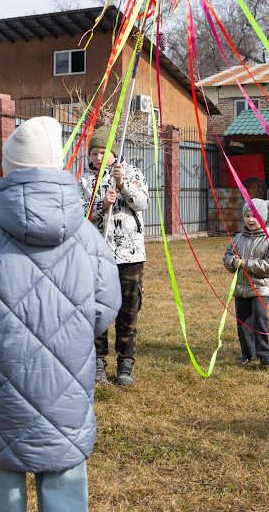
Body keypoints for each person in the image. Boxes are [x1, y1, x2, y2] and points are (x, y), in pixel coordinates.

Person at [0, 116, 121, 512]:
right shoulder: (87, 236)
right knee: (64, 470)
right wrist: (73, 338)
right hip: (67, 378)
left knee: (1, 478)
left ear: (9, 168)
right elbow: (107, 304)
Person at [78, 127, 148, 387]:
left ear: (113, 153)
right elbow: (79, 212)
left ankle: (125, 363)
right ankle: (97, 362)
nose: (98, 157)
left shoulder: (131, 173)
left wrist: (122, 185)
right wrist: (101, 205)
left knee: (128, 310)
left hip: (129, 255)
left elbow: (141, 202)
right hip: (96, 255)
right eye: (94, 153)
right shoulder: (85, 180)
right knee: (97, 309)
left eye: (103, 152)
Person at [222, 199, 269, 367]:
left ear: (263, 219)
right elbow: (227, 256)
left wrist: (248, 264)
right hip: (242, 288)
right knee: (242, 321)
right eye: (247, 216)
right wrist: (232, 261)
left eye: (255, 216)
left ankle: (265, 354)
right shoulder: (238, 239)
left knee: (259, 317)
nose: (250, 220)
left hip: (261, 287)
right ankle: (247, 353)